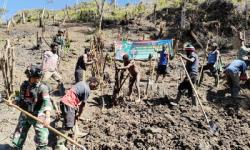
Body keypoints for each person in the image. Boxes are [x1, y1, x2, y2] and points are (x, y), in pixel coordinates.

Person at [11, 65, 52, 150]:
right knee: (19, 136)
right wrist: (14, 102)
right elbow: (19, 97)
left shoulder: (42, 88)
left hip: (38, 115)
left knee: (42, 139)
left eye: (38, 78)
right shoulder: (24, 85)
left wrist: (47, 117)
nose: (37, 80)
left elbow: (47, 102)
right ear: (29, 77)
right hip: (25, 113)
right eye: (34, 78)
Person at [55, 78, 99, 150]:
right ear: (92, 82)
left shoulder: (81, 83)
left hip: (64, 101)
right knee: (68, 126)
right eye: (95, 86)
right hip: (69, 104)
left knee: (70, 119)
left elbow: (75, 95)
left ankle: (76, 132)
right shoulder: (87, 89)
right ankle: (59, 145)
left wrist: (76, 110)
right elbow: (82, 105)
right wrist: (79, 114)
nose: (95, 88)